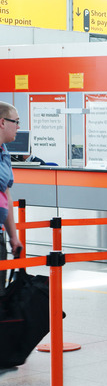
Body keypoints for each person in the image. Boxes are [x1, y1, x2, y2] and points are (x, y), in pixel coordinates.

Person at [0, 102, 24, 294]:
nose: (18, 126)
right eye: (15, 122)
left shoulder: (4, 153)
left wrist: (13, 236)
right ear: (2, 122)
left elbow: (5, 194)